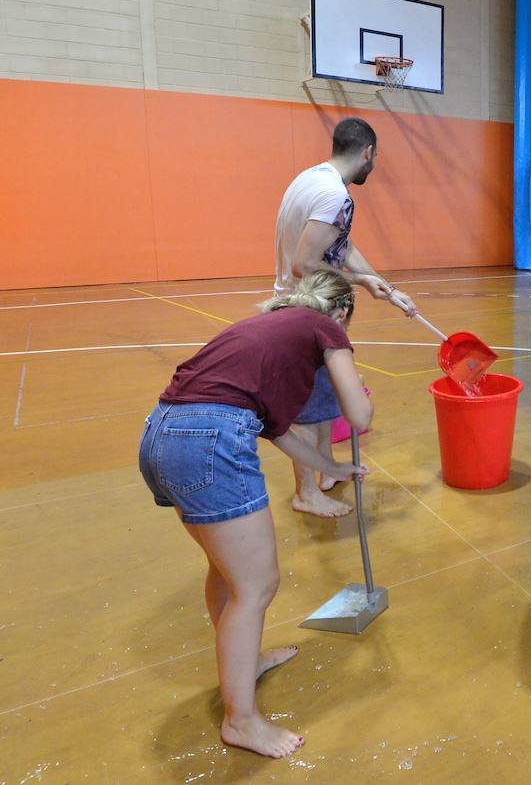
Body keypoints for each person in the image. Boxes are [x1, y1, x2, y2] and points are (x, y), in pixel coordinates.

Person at [137, 271, 373, 758]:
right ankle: (240, 721)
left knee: (226, 572)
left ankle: (248, 663)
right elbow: (360, 416)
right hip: (209, 439)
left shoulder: (266, 335)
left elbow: (279, 431)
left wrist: (334, 467)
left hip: (162, 434)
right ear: (343, 310)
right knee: (257, 585)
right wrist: (348, 367)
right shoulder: (324, 326)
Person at [274, 117, 416, 518]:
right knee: (305, 411)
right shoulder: (336, 196)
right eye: (375, 158)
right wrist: (361, 282)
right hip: (305, 312)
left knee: (319, 405)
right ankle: (306, 493)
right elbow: (305, 263)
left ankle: (323, 476)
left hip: (308, 310)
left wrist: (383, 287)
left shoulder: (311, 180)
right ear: (368, 153)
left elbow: (341, 245)